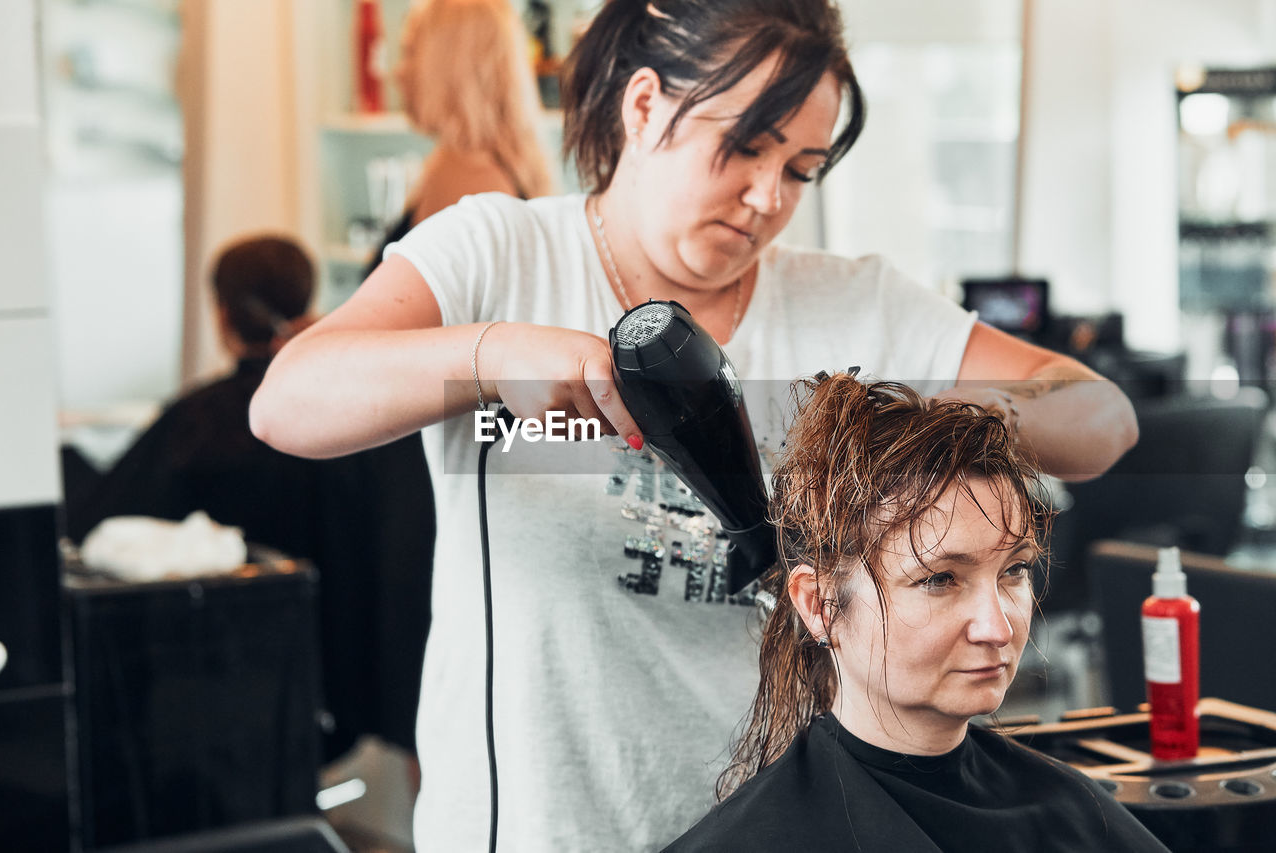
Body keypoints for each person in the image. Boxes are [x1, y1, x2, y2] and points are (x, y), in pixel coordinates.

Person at [249, 1, 1138, 848]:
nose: (765, 198)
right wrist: (489, 354)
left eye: (800, 170)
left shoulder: (853, 304)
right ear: (645, 105)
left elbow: (1099, 420)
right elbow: (288, 400)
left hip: (779, 827)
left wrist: (867, 422)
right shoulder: (498, 254)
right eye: (742, 148)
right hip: (539, 827)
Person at [665, 373, 1168, 852]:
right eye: (938, 579)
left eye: (1013, 570)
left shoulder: (1073, 813)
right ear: (820, 606)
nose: (997, 628)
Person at [65, 235, 435, 769]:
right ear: (308, 303)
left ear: (222, 316)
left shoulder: (198, 425)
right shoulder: (360, 421)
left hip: (214, 695)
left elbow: (94, 520)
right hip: (343, 693)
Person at [388, 0, 554, 234]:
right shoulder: (493, 163)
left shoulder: (467, 175)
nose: (398, 71)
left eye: (411, 52)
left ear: (452, 65)